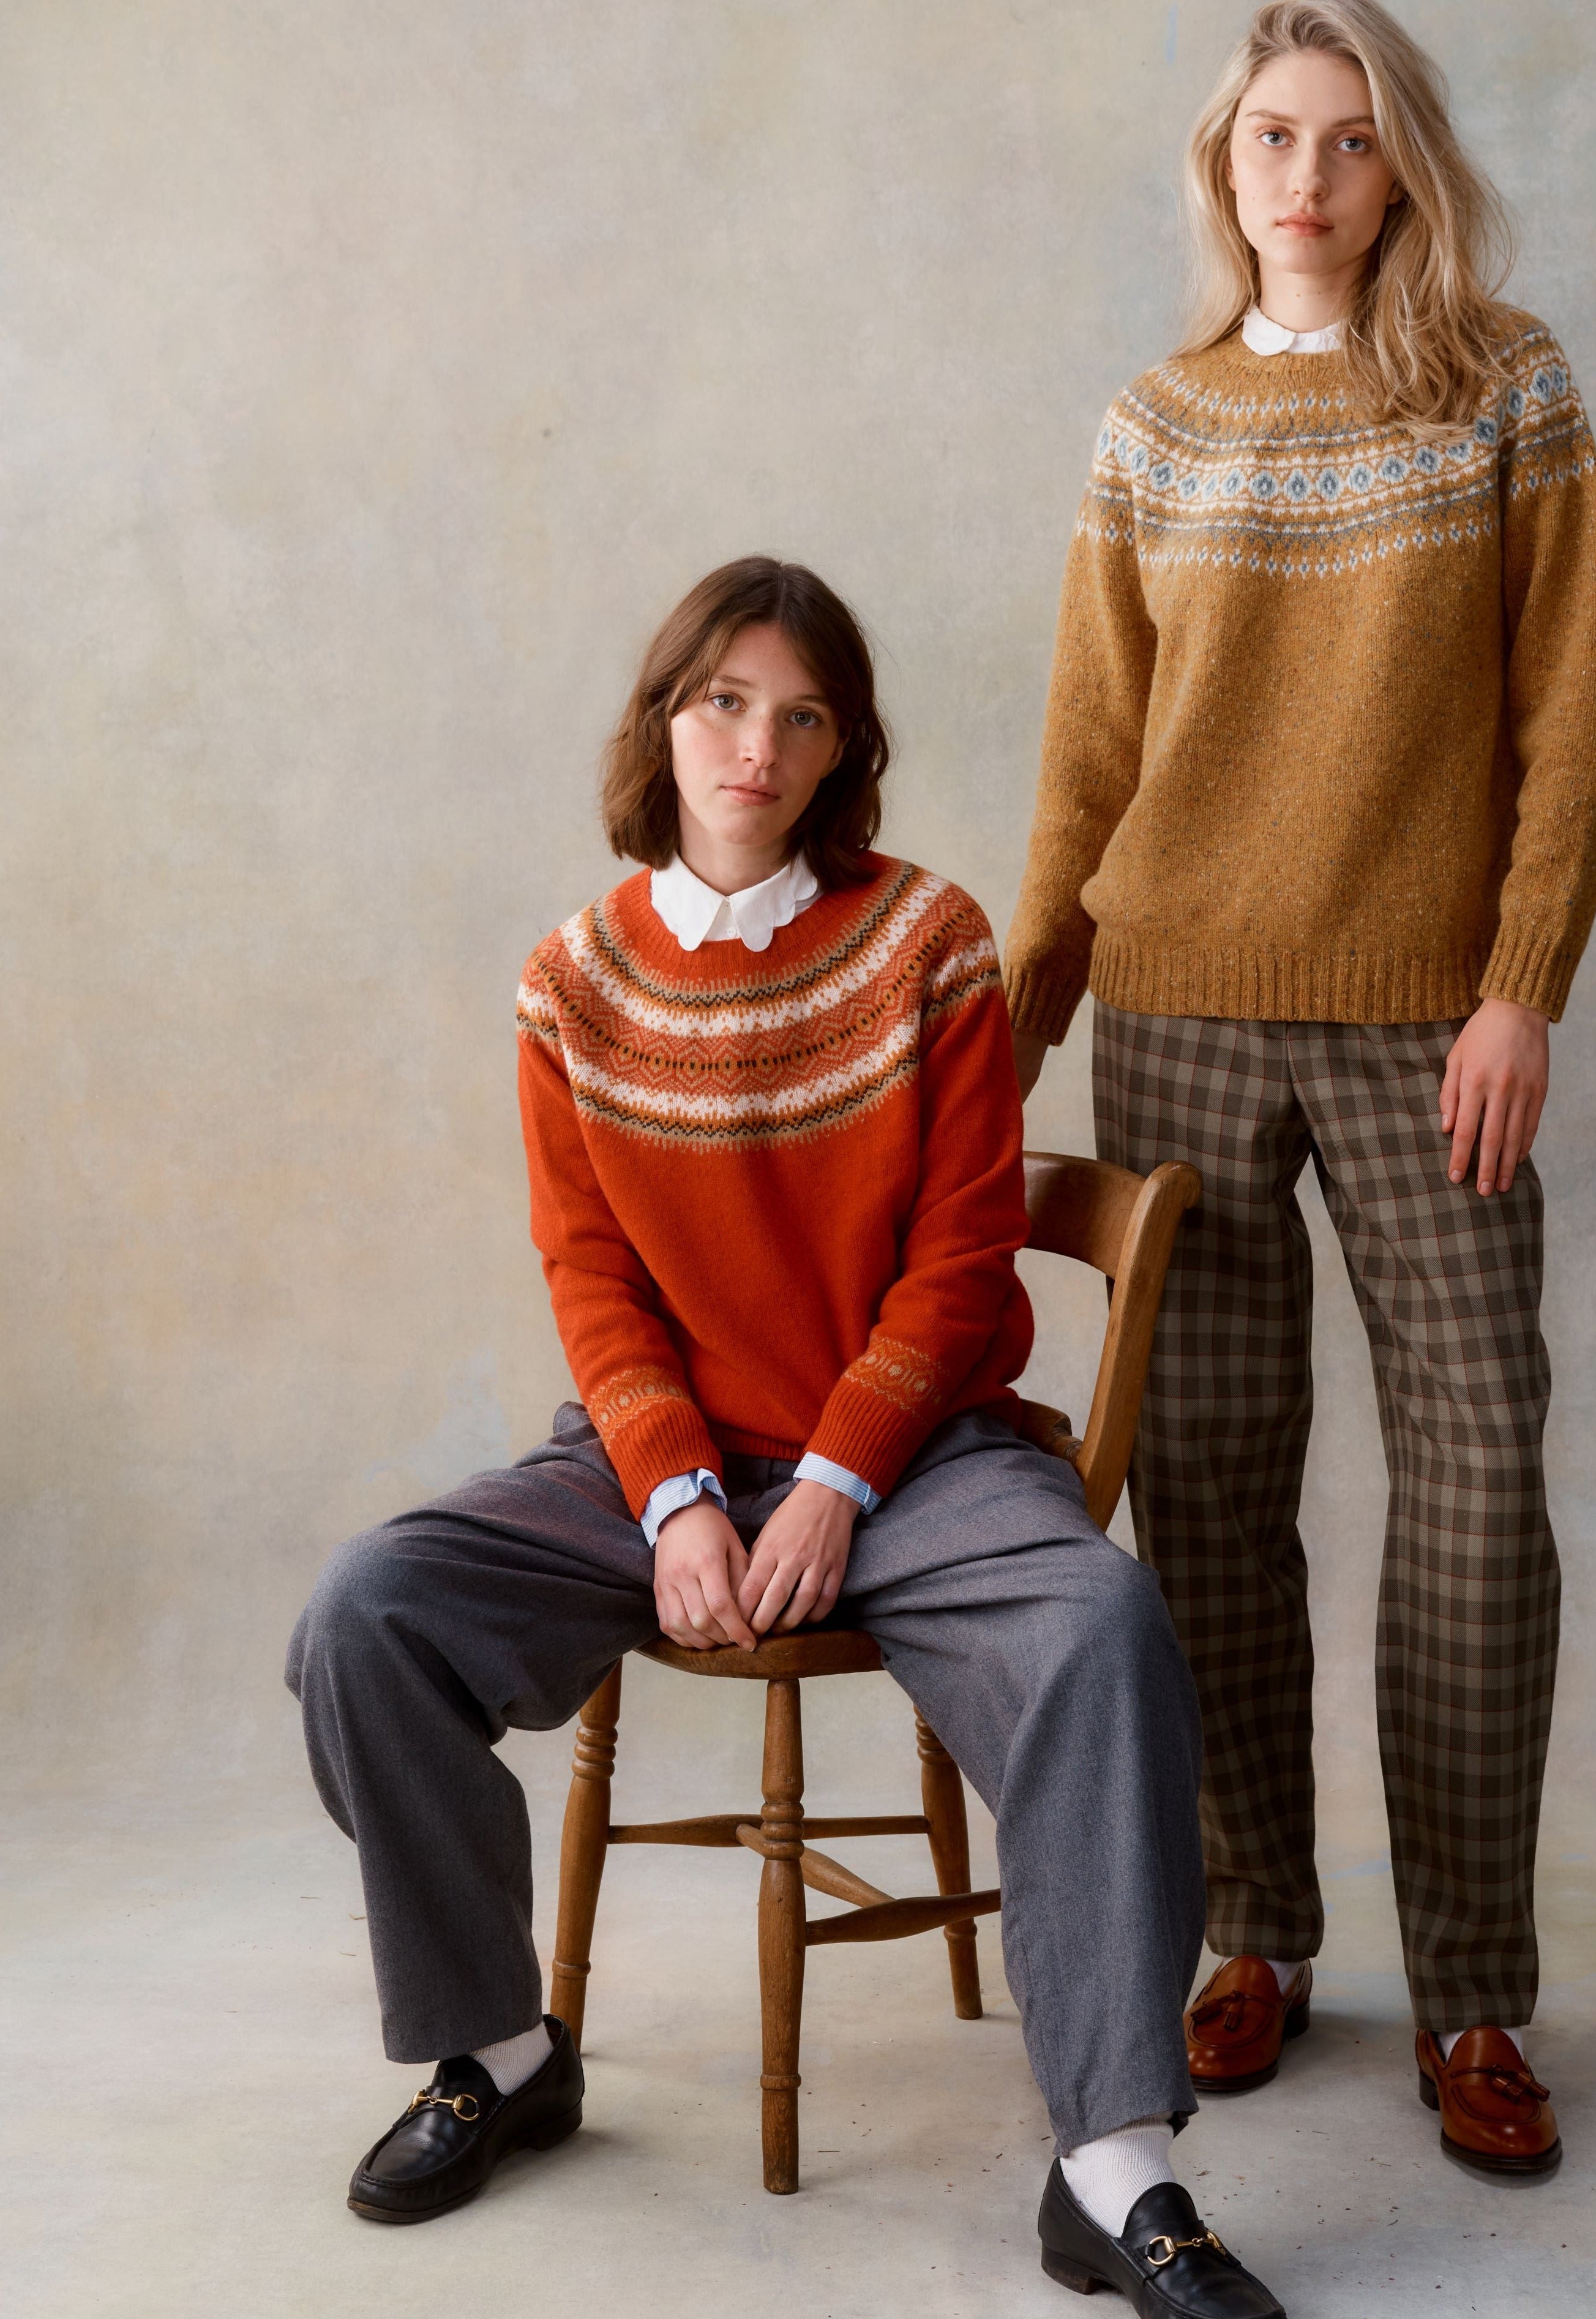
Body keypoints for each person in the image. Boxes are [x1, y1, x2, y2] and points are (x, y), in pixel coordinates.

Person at [288, 557, 1286, 2317]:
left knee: (1104, 1628)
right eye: (723, 702)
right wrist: (677, 1493)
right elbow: (591, 1276)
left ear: (844, 751)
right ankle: (503, 2052)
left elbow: (960, 1246)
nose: (757, 744)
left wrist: (831, 1480)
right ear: (663, 720)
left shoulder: (930, 939)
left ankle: (1112, 2161)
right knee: (369, 1613)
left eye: (801, 714)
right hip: (653, 1458)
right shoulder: (572, 984)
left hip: (924, 1453)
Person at [1005, 0, 1596, 2180]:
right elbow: (1090, 766)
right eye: (1272, 135)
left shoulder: (1501, 387)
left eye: (1351, 142)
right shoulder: (1151, 427)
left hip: (1422, 1018)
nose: (1306, 176)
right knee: (1208, 1485)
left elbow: (1573, 716)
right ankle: (1256, 1928)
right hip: (1169, 1008)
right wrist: (1010, 1021)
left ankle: (1473, 1989)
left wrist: (1520, 986)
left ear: (1401, 175)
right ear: (1224, 161)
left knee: (1475, 1472)